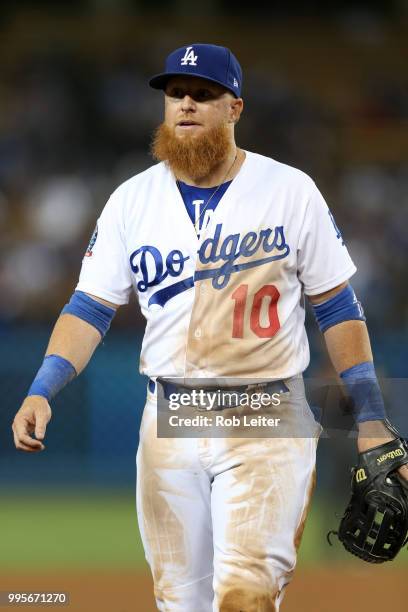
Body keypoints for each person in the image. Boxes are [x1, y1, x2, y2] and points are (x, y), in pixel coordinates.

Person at [12, 43, 408, 611]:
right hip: (169, 419)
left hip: (266, 416)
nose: (187, 104)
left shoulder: (289, 191)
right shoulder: (132, 200)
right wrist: (42, 388)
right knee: (181, 604)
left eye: (203, 94)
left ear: (235, 109)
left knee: (244, 598)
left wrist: (371, 417)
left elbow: (339, 309)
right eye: (176, 94)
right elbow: (91, 308)